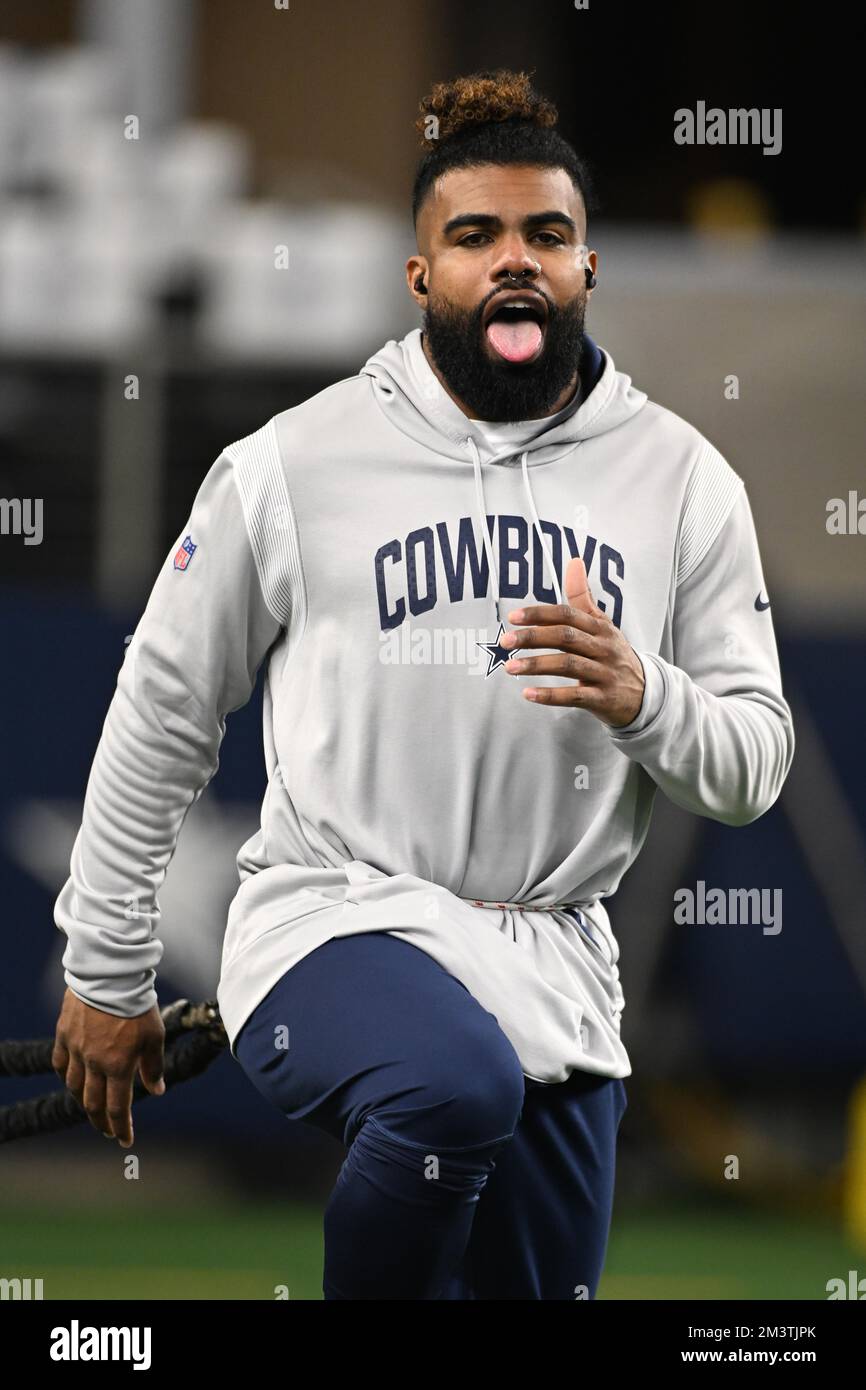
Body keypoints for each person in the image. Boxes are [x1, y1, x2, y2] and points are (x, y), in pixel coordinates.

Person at [52, 69, 795, 1299]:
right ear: (420, 277)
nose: (514, 262)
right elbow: (164, 709)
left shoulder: (682, 481)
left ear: (586, 269)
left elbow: (752, 766)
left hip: (555, 965)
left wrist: (643, 693)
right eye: (474, 236)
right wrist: (105, 965)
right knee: (453, 1086)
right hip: (334, 921)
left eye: (544, 236)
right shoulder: (294, 460)